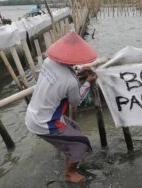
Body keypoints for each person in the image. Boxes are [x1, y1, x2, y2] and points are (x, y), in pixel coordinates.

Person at [25, 32, 98, 183]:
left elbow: (60, 77)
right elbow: (76, 101)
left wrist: (78, 73)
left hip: (34, 113)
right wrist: (88, 83)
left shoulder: (48, 62)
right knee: (81, 144)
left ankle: (69, 152)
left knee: (75, 127)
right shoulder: (71, 82)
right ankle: (69, 173)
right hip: (46, 123)